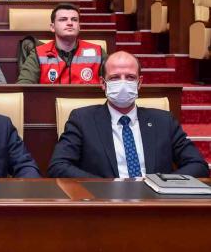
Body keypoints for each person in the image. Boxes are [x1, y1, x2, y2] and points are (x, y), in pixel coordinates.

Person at [48, 51, 209, 178]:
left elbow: (197, 165)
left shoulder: (164, 121)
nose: (123, 83)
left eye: (130, 77)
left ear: (140, 83)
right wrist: (104, 187)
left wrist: (163, 184)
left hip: (155, 203)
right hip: (105, 202)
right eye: (115, 78)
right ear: (103, 83)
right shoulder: (82, 120)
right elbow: (58, 166)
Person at [17, 3, 106, 84]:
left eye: (74, 20)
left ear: (79, 27)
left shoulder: (98, 52)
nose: (70, 23)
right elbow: (24, 87)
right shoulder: (38, 54)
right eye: (63, 19)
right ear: (52, 27)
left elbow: (112, 83)